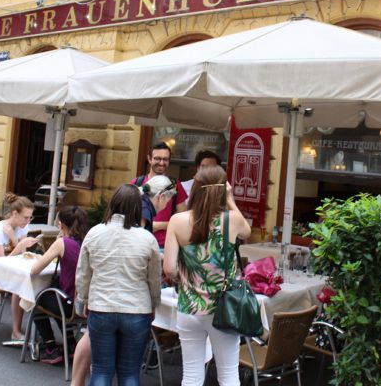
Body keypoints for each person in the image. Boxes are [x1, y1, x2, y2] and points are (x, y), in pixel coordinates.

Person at [163, 165, 252, 386]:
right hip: (223, 309)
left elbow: (169, 268)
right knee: (229, 375)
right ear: (223, 190)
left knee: (191, 375)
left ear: (196, 189)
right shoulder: (232, 220)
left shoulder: (177, 220)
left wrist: (186, 276)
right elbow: (247, 232)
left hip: (189, 307)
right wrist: (230, 199)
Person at [76, 184, 161, 386]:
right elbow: (154, 278)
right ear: (137, 208)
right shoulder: (147, 239)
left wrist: (84, 299)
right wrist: (153, 303)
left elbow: (83, 273)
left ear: (112, 204)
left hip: (101, 305)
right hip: (137, 308)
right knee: (130, 373)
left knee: (101, 371)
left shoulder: (94, 233)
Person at [30, 205, 89, 365]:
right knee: (55, 298)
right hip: (86, 304)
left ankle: (50, 347)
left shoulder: (63, 243)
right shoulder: (89, 241)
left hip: (69, 304)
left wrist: (57, 241)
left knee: (35, 299)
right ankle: (70, 344)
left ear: (62, 224)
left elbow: (35, 269)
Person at [0, 193, 40, 343]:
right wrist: (20, 244)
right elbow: (1, 263)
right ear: (15, 213)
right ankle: (16, 331)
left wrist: (17, 241)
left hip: (12, 267)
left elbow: (22, 255)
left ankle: (19, 330)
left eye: (30, 218)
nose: (28, 221)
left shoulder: (22, 228)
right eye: (25, 217)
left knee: (26, 284)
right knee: (20, 287)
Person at [132, 142, 188, 248]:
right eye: (157, 158)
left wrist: (157, 225)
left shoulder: (175, 185)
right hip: (139, 243)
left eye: (165, 159)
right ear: (149, 159)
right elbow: (128, 216)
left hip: (165, 246)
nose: (161, 163)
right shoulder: (136, 183)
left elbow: (184, 220)